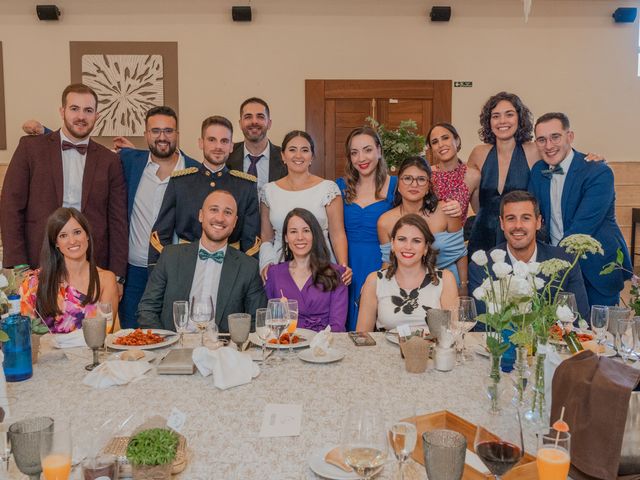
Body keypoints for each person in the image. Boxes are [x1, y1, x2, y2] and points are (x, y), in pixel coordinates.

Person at [1, 83, 128, 284]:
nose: (81, 116)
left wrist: (117, 276)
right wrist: (19, 265)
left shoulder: (109, 160)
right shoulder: (31, 148)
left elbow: (118, 220)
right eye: (74, 109)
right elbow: (11, 206)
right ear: (62, 111)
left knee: (90, 317)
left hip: (92, 265)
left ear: (97, 116)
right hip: (37, 261)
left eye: (88, 110)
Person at [528, 113, 631, 306]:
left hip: (596, 267)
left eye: (555, 137)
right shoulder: (538, 171)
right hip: (555, 270)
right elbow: (535, 216)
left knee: (601, 331)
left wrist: (553, 262)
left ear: (570, 136)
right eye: (542, 139)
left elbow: (583, 226)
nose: (549, 145)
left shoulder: (597, 171)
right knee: (558, 331)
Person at [137, 190, 266, 333]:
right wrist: (167, 343)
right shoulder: (170, 256)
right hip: (175, 347)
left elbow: (257, 321)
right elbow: (147, 309)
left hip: (222, 350)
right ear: (201, 215)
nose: (220, 218)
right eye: (214, 210)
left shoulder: (248, 267)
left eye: (228, 212)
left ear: (235, 222)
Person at [148, 115, 260, 267]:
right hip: (185, 266)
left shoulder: (245, 186)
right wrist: (158, 276)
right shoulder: (180, 182)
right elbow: (161, 236)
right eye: (211, 140)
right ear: (201, 143)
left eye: (224, 141)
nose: (218, 147)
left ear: (231, 146)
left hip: (230, 268)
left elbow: (251, 242)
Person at [468, 190, 589, 319]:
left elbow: (579, 317)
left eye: (526, 218)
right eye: (511, 219)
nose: (518, 226)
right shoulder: (481, 267)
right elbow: (483, 325)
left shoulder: (564, 262)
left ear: (538, 222)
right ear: (502, 223)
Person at [259, 130, 350, 284]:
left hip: (321, 266)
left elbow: (337, 233)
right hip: (280, 267)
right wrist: (266, 264)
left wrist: (343, 267)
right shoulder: (269, 191)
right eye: (292, 150)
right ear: (283, 155)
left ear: (312, 157)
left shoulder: (328, 188)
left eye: (305, 150)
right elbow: (267, 237)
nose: (298, 156)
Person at [20, 208, 120, 333]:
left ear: (87, 235)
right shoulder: (34, 282)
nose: (72, 241)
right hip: (46, 352)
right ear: (56, 242)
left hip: (92, 351)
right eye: (63, 235)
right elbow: (23, 334)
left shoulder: (106, 279)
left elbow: (105, 333)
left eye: (77, 232)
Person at [335, 126, 396, 330]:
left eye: (367, 150)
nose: (361, 157)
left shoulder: (396, 186)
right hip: (348, 264)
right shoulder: (339, 187)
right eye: (354, 152)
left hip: (382, 264)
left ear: (379, 150)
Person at [377, 156, 467, 292]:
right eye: (407, 178)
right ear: (399, 185)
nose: (414, 185)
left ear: (428, 186)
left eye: (421, 179)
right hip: (407, 287)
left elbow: (461, 254)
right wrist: (383, 290)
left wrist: (464, 287)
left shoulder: (447, 210)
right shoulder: (385, 222)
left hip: (448, 285)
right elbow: (388, 262)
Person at [356, 214, 458, 332]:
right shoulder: (374, 280)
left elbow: (454, 333)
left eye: (416, 241)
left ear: (425, 248)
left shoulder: (445, 279)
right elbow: (362, 336)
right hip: (386, 350)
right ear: (393, 244)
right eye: (402, 239)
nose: (408, 246)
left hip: (433, 350)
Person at [467, 92, 538, 255]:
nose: (502, 121)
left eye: (509, 114)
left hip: (520, 234)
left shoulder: (532, 150)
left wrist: (590, 158)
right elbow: (472, 198)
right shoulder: (479, 153)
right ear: (489, 121)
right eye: (496, 116)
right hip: (483, 233)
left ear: (519, 118)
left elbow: (560, 156)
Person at [265, 208, 347, 332]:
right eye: (293, 232)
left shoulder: (336, 273)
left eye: (306, 231)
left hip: (324, 346)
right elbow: (270, 322)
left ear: (315, 235)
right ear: (286, 237)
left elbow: (338, 326)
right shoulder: (273, 273)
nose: (300, 237)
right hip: (286, 346)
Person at [226, 97, 287, 192]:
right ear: (240, 123)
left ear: (269, 123)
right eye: (248, 117)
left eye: (260, 116)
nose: (254, 121)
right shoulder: (227, 154)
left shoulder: (285, 157)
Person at [427, 122, 481, 225]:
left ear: (457, 140)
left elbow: (478, 214)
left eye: (445, 138)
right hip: (428, 236)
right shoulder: (426, 174)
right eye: (434, 142)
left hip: (458, 237)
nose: (441, 145)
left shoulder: (473, 176)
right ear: (432, 150)